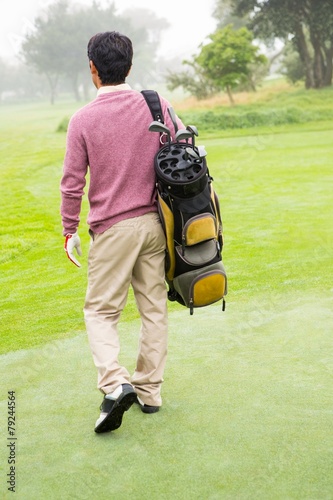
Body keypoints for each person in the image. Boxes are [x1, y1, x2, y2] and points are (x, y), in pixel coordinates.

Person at [60, 31, 184, 434]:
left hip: (112, 229)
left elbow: (72, 184)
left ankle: (116, 384)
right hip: (155, 225)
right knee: (154, 308)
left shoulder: (82, 119)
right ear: (129, 66)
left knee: (100, 311)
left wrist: (68, 230)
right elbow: (185, 149)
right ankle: (149, 391)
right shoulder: (156, 103)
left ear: (93, 69)